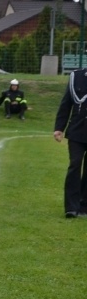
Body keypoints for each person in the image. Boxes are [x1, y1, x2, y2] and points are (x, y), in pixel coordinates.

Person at [54, 68, 87, 218]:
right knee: (75, 164)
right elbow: (66, 103)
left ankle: (84, 205)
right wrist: (59, 128)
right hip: (77, 131)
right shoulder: (77, 77)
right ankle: (71, 207)